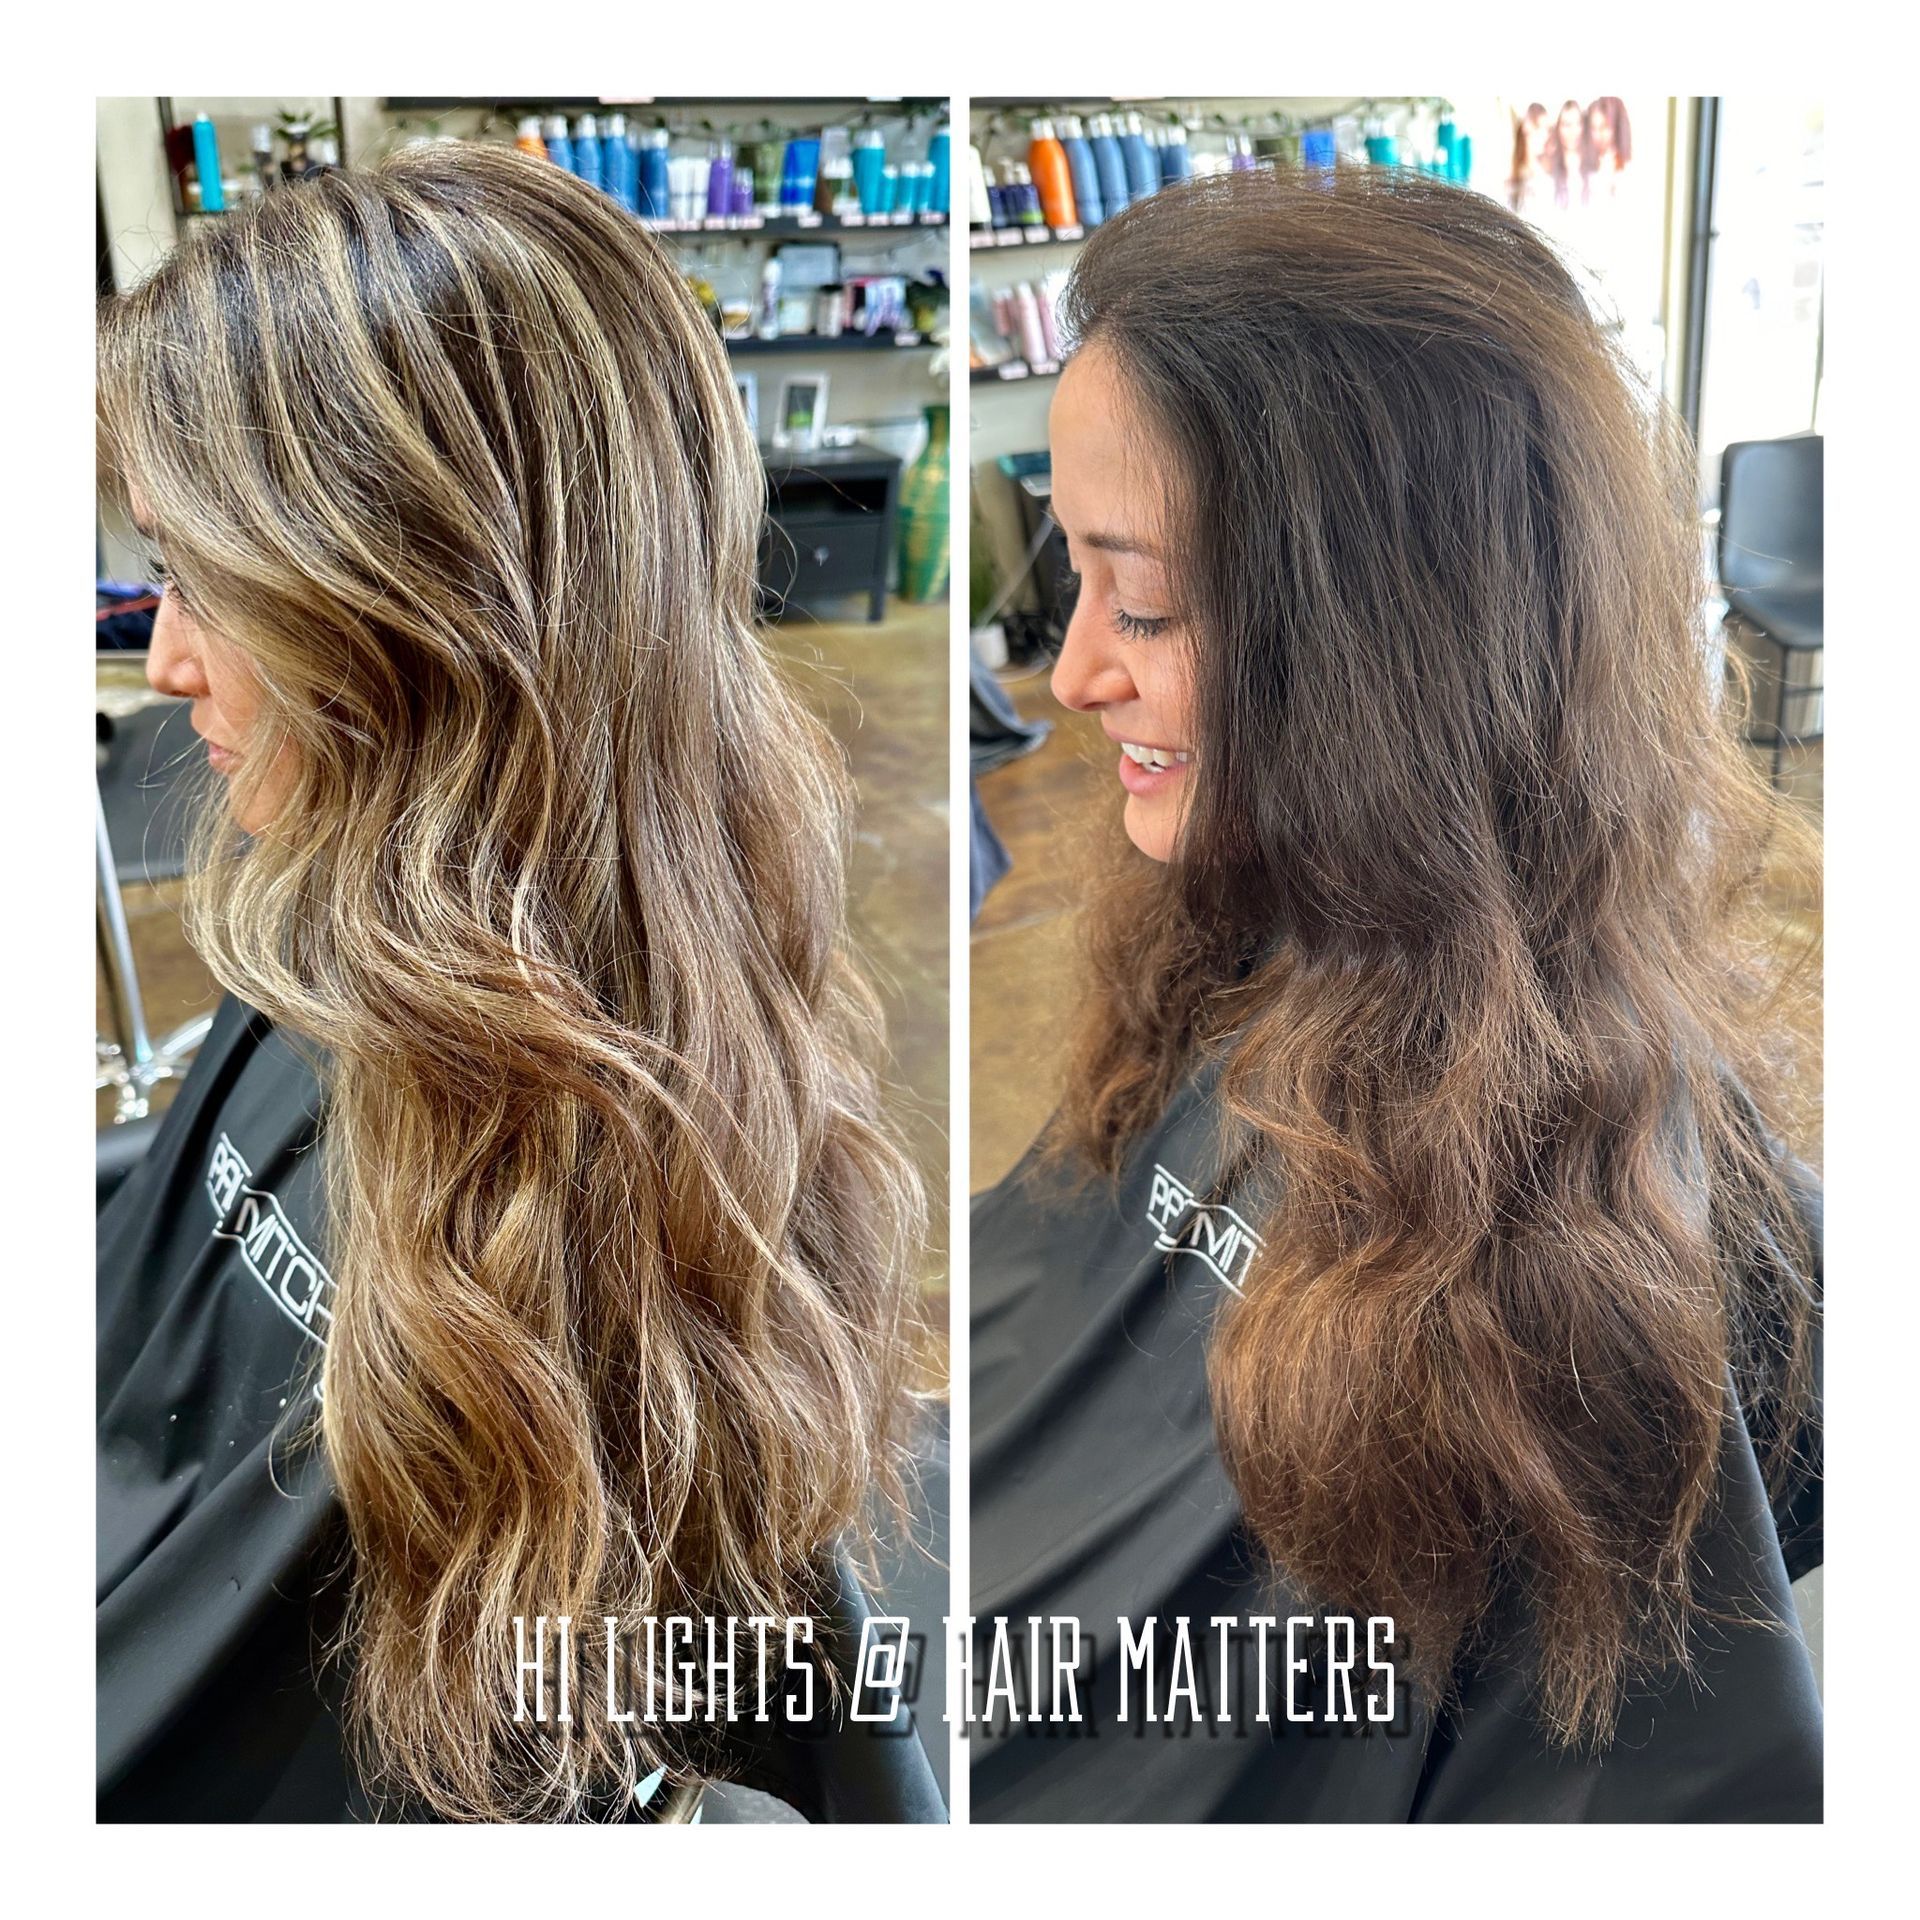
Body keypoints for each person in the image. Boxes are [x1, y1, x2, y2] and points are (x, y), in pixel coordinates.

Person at [96, 143, 943, 1824]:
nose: (164, 657)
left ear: (413, 604)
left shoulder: (594, 1182)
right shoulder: (340, 947)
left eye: (207, 587)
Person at [970, 163, 1822, 1823]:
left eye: (1140, 600)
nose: (1073, 673)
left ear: (1381, 647)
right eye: (1077, 585)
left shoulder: (1573, 1276)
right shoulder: (1215, 955)